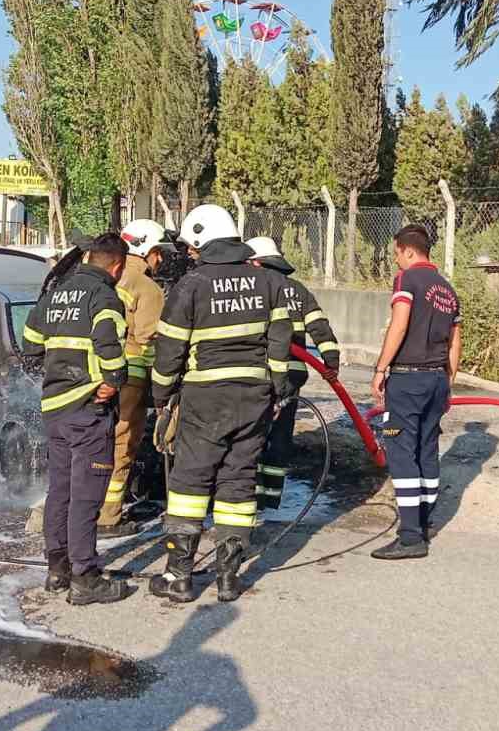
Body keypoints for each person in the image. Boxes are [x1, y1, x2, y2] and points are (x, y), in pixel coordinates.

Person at [150, 204, 295, 602]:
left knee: (189, 482)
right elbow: (280, 344)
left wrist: (161, 396)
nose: (190, 254)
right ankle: (228, 578)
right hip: (254, 397)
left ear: (201, 240)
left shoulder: (191, 285)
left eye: (192, 247)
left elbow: (169, 350)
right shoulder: (268, 282)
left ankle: (179, 576)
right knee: (239, 479)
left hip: (204, 399)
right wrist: (277, 388)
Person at [21, 233, 132, 605]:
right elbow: (109, 347)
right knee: (86, 496)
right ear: (117, 266)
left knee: (61, 490)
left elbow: (30, 343)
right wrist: (113, 382)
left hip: (55, 408)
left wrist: (55, 373)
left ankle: (58, 570)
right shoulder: (105, 297)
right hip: (87, 410)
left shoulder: (56, 295)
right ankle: (85, 577)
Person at [369, 225, 462, 560]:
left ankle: (410, 538)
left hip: (408, 380)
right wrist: (446, 383)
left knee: (401, 451)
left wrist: (381, 369)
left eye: (396, 254)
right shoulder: (448, 290)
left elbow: (400, 324)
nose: (396, 261)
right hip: (437, 379)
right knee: (427, 450)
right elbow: (455, 343)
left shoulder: (408, 281)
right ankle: (423, 523)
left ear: (408, 251)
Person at [246, 235, 341, 511]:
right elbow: (319, 326)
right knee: (279, 436)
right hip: (292, 376)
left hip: (261, 374)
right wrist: (330, 360)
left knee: (251, 435)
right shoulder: (298, 290)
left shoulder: (255, 288)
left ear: (256, 262)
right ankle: (270, 499)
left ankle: (248, 494)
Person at [97, 218, 171, 536]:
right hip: (129, 377)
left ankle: (84, 507)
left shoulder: (102, 277)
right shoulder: (147, 287)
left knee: (92, 443)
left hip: (91, 374)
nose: (161, 260)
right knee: (122, 444)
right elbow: (147, 337)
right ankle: (109, 517)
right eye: (158, 252)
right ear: (148, 250)